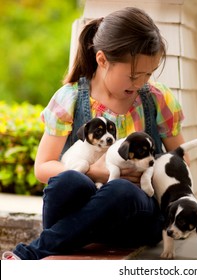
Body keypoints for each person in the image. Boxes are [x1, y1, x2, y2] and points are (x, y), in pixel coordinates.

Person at [2, 7, 185, 260]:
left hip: (134, 219)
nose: (141, 82)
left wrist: (144, 173)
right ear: (102, 60)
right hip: (78, 213)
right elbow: (42, 168)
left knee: (121, 189)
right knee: (69, 180)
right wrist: (95, 171)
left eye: (148, 74)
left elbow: (179, 163)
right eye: (133, 75)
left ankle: (31, 253)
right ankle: (71, 235)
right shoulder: (71, 98)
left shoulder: (156, 99)